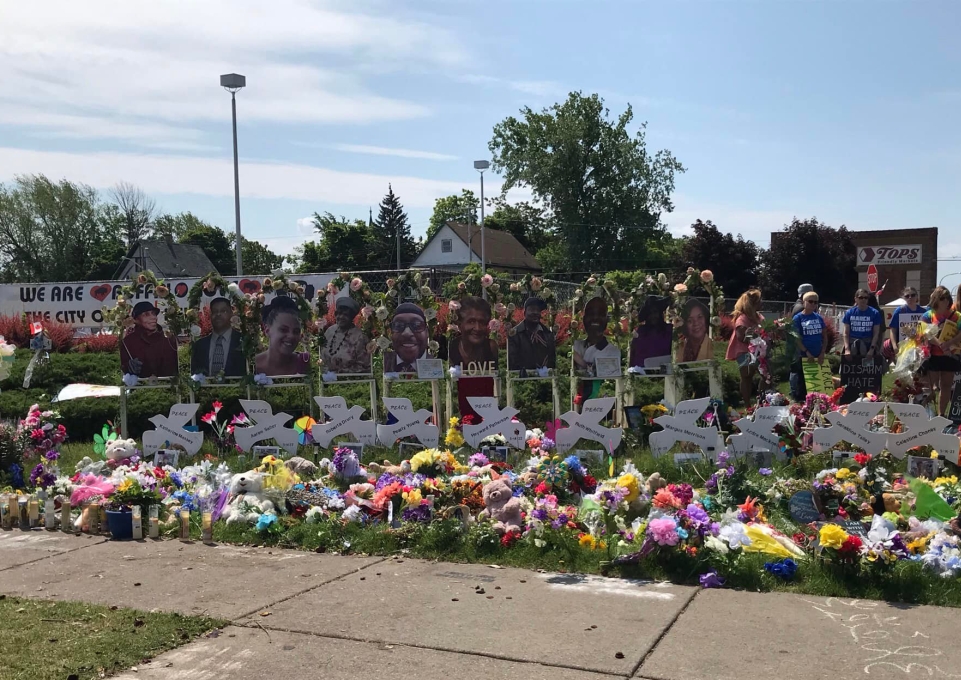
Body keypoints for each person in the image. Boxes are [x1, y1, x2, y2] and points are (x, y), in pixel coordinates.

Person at [450, 296, 498, 419]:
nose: (477, 328)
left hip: (487, 415)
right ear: (460, 324)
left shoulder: (491, 347)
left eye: (482, 323)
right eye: (471, 321)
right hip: (460, 417)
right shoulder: (453, 346)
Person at [919, 286, 961, 416]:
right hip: (933, 355)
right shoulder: (928, 315)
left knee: (946, 385)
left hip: (950, 354)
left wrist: (949, 343)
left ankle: (941, 415)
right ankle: (924, 413)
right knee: (930, 388)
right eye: (942, 298)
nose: (946, 301)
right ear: (936, 299)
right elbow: (924, 333)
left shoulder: (957, 315)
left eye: (947, 298)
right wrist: (940, 344)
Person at [573, 297, 621, 407]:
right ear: (584, 319)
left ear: (606, 320)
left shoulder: (613, 352)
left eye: (600, 314)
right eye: (590, 314)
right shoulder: (576, 345)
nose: (595, 318)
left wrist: (584, 364)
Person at [726, 289, 765, 405]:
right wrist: (752, 336)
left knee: (766, 375)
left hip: (759, 350)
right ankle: (747, 405)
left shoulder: (758, 316)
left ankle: (762, 401)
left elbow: (764, 330)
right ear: (753, 303)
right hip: (744, 351)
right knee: (746, 377)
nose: (761, 302)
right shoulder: (742, 318)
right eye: (759, 300)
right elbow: (741, 337)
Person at [121, 301, 179, 378]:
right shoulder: (127, 342)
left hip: (169, 388)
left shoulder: (169, 339)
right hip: (139, 388)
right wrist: (127, 367)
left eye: (153, 313)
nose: (153, 317)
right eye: (146, 314)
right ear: (136, 320)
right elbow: (120, 370)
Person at [255, 296, 310, 376]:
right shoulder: (251, 366)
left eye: (296, 331)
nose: (291, 336)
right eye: (283, 330)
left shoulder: (307, 363)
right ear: (267, 330)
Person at [190, 297, 246, 377]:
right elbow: (194, 375)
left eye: (223, 311)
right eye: (215, 311)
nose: (218, 314)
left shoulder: (244, 341)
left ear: (231, 314)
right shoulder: (199, 345)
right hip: (206, 389)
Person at [792, 291, 828, 399]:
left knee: (817, 384)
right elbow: (796, 338)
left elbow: (825, 337)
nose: (813, 304)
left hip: (818, 355)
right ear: (804, 302)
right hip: (804, 355)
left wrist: (822, 352)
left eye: (815, 302)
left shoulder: (819, 318)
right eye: (810, 301)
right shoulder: (798, 318)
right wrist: (807, 352)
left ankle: (819, 404)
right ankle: (802, 405)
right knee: (803, 384)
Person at [321, 297, 371, 374]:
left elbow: (363, 366)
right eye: (339, 313)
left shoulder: (359, 336)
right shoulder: (330, 331)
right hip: (327, 378)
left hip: (350, 380)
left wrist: (341, 373)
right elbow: (322, 355)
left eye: (345, 315)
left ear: (352, 317)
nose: (341, 317)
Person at [508, 297, 556, 372]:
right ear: (524, 313)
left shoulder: (548, 334)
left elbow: (552, 359)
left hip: (546, 378)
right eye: (532, 310)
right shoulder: (515, 334)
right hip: (524, 379)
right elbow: (512, 361)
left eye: (538, 310)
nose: (535, 313)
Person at [383, 303, 430, 373]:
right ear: (390, 332)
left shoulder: (437, 366)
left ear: (427, 332)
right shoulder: (381, 367)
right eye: (399, 325)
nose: (407, 333)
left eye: (416, 325)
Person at [629, 295, 673, 369]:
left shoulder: (669, 330)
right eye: (649, 313)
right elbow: (633, 355)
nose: (653, 316)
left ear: (660, 313)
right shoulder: (640, 332)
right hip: (643, 374)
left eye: (655, 312)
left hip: (665, 374)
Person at [788, 284, 814, 401]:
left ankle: (796, 393)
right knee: (797, 371)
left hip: (798, 345)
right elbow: (796, 331)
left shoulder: (796, 305)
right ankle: (796, 394)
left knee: (796, 369)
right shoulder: (800, 309)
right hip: (799, 346)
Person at [887, 286, 927, 356]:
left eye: (913, 295)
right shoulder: (899, 311)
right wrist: (894, 346)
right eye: (907, 296)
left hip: (919, 347)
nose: (910, 297)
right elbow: (893, 329)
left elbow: (927, 330)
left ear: (917, 297)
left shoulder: (923, 312)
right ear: (904, 298)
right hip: (903, 346)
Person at [842, 289, 882, 357]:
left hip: (868, 344)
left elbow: (876, 333)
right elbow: (846, 333)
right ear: (856, 299)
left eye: (866, 298)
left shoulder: (875, 313)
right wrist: (847, 349)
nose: (863, 300)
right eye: (861, 297)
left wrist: (872, 350)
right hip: (852, 345)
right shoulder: (849, 313)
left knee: (870, 366)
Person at [674, 298, 712, 363]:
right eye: (690, 320)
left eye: (700, 317)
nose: (696, 323)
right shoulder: (680, 346)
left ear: (706, 318)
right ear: (684, 324)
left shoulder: (713, 345)